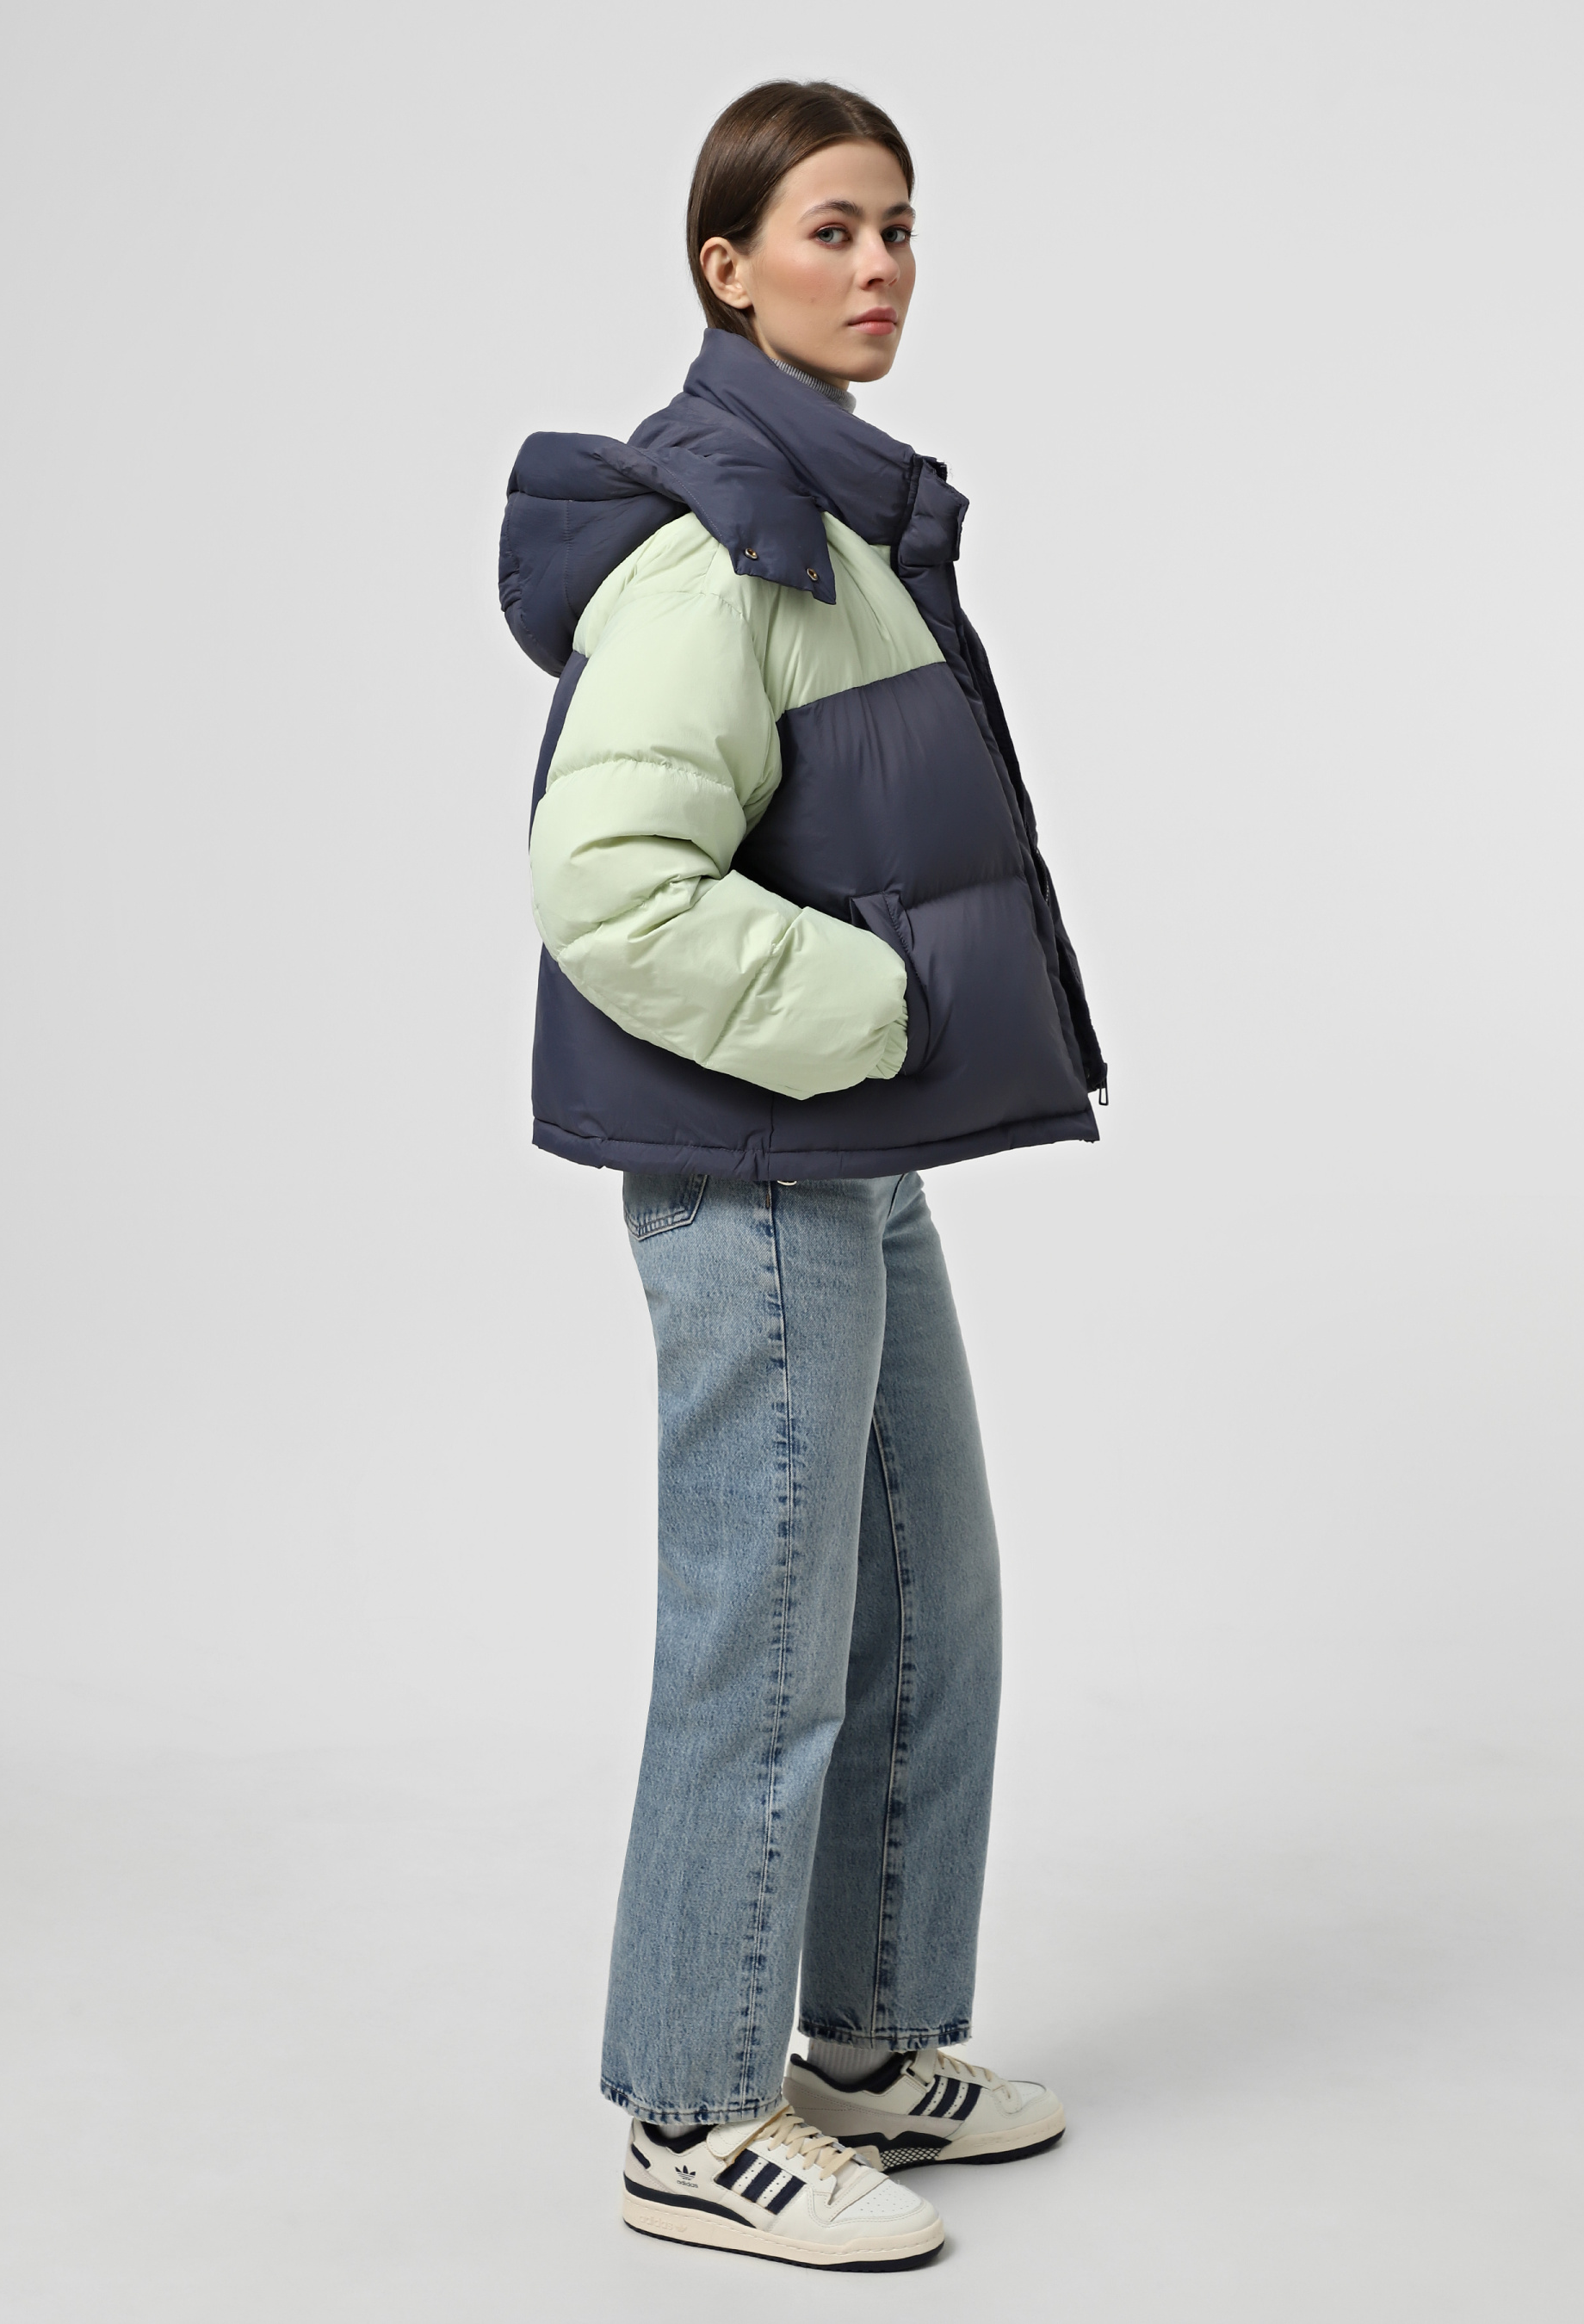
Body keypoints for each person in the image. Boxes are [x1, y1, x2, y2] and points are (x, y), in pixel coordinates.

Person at [498, 79, 1107, 2274]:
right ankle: (691, 2109)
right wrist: (879, 1006)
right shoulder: (723, 538)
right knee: (765, 1634)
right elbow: (608, 878)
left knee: (927, 1594)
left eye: (897, 228)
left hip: (847, 1154)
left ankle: (862, 2043)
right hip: (756, 1159)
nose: (875, 267)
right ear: (724, 267)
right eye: (828, 230)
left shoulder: (841, 518)